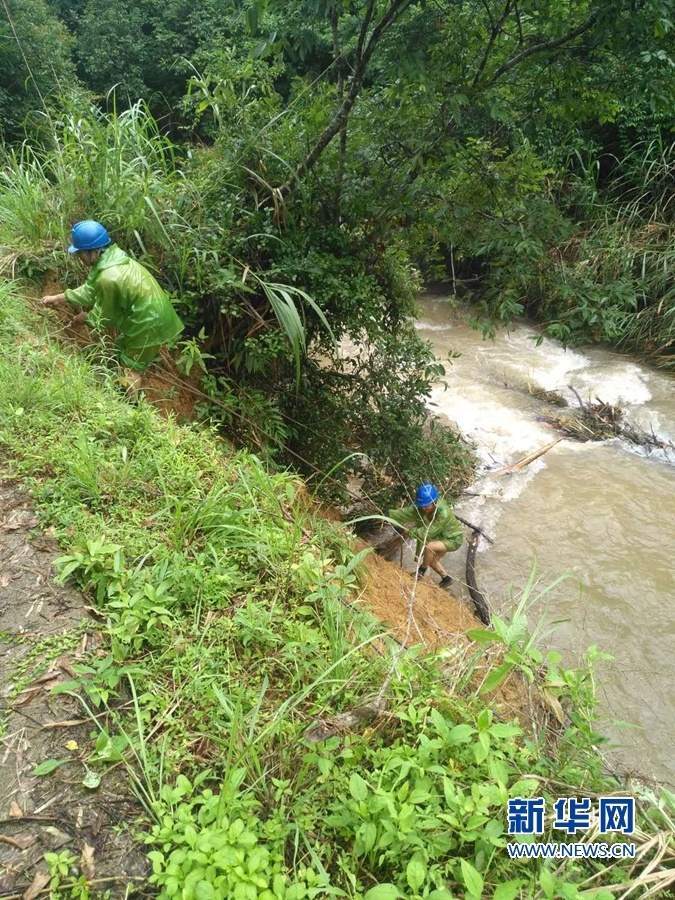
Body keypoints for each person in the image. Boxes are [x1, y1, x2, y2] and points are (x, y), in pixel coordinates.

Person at [41, 220, 184, 377]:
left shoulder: (108, 277)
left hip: (148, 321)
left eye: (80, 253)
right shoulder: (112, 260)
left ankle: (130, 400)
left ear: (91, 251)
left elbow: (106, 315)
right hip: (151, 313)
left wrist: (86, 318)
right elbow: (89, 290)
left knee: (131, 366)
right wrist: (59, 298)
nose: (79, 258)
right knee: (121, 346)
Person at [388, 483, 463, 590]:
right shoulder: (423, 507)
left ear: (434, 502)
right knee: (431, 560)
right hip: (441, 536)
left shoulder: (443, 513)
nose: (423, 509)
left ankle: (421, 571)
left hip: (453, 538)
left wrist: (407, 531)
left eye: (426, 506)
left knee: (430, 546)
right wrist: (387, 515)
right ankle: (446, 579)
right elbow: (407, 512)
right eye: (421, 506)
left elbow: (429, 532)